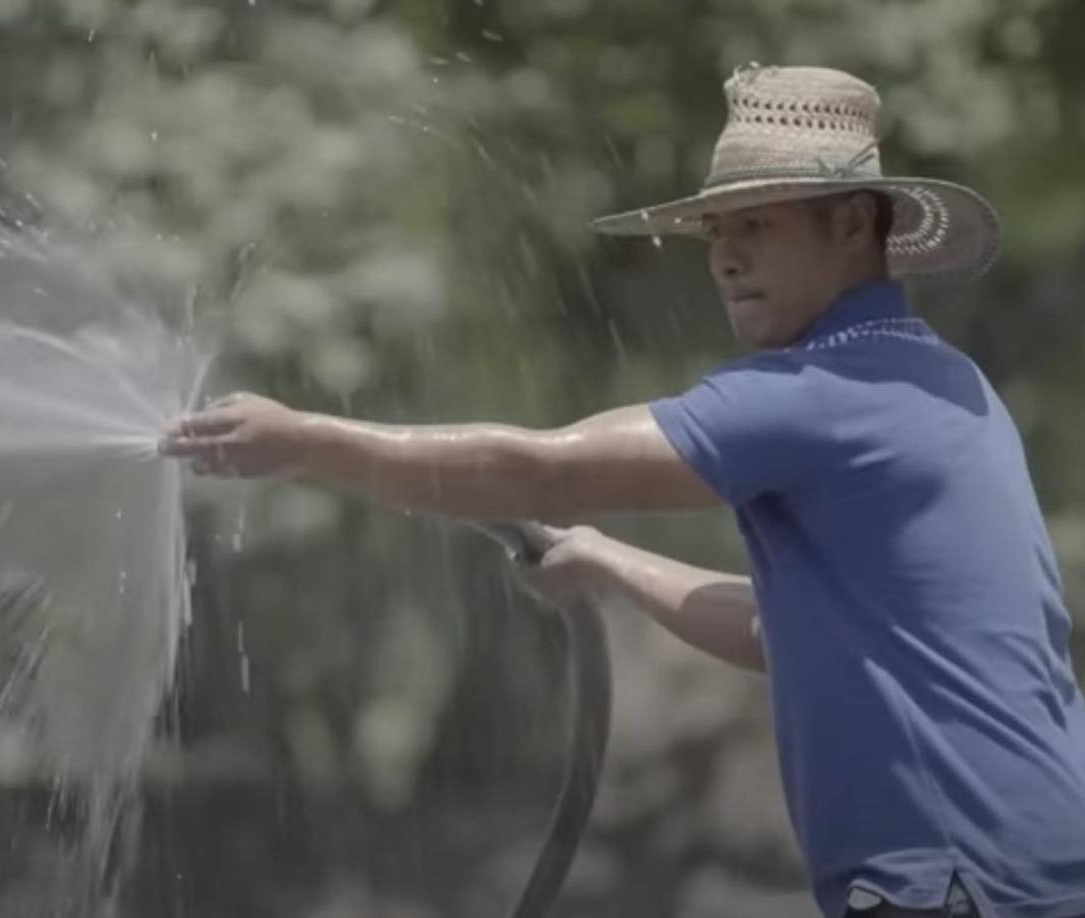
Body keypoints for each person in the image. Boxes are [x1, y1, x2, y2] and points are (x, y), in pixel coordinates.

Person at [160, 66, 1085, 918]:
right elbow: (783, 632)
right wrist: (607, 559)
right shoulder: (942, 385)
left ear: (852, 224)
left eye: (756, 225)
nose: (724, 257)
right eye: (716, 232)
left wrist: (306, 442)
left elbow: (545, 469)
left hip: (965, 884)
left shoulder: (826, 396)